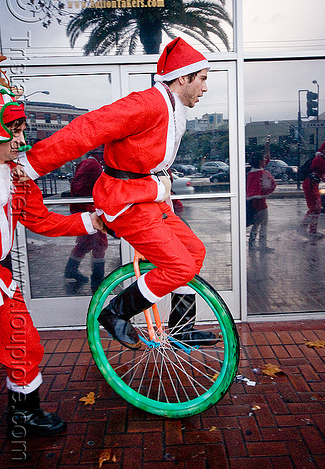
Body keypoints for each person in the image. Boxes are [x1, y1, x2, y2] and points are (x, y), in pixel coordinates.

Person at [18, 37, 218, 350]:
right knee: (179, 266)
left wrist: (163, 191)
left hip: (148, 199)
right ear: (184, 77)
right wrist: (29, 165)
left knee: (195, 253)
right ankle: (115, 314)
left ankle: (181, 328)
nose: (205, 87)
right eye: (203, 79)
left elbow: (152, 162)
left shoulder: (173, 107)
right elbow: (88, 128)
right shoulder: (147, 103)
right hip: (125, 202)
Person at [0, 83, 105, 437]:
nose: (21, 140)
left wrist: (92, 221)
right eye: (12, 131)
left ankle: (23, 414)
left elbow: (41, 220)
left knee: (22, 342)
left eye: (21, 130)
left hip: (1, 279)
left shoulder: (16, 177)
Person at [64, 149, 108, 293]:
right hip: (89, 211)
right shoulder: (94, 166)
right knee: (99, 245)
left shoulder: (85, 163)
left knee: (83, 244)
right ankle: (97, 280)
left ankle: (71, 270)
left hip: (82, 210)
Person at [246, 136, 276, 253]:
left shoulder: (251, 172)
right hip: (261, 203)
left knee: (256, 224)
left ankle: (252, 245)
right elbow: (271, 185)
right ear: (259, 161)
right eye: (263, 159)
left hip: (252, 202)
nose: (265, 161)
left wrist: (266, 147)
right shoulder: (261, 173)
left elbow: (267, 158)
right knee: (263, 224)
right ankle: (262, 245)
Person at [299, 139, 325, 239]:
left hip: (311, 183)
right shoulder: (320, 160)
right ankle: (306, 229)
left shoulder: (321, 159)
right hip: (310, 184)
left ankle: (311, 229)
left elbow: (320, 174)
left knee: (316, 208)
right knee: (315, 208)